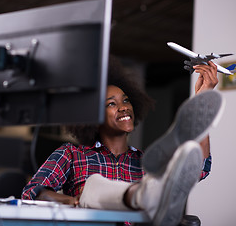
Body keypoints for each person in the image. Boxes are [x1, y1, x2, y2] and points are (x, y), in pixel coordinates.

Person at [21, 56, 223, 225]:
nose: (124, 107)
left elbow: (200, 168)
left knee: (162, 171)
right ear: (94, 116)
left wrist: (201, 102)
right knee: (93, 187)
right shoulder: (72, 155)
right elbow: (32, 192)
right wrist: (73, 202)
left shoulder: (144, 162)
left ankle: (151, 192)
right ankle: (148, 195)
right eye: (112, 104)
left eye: (126, 100)